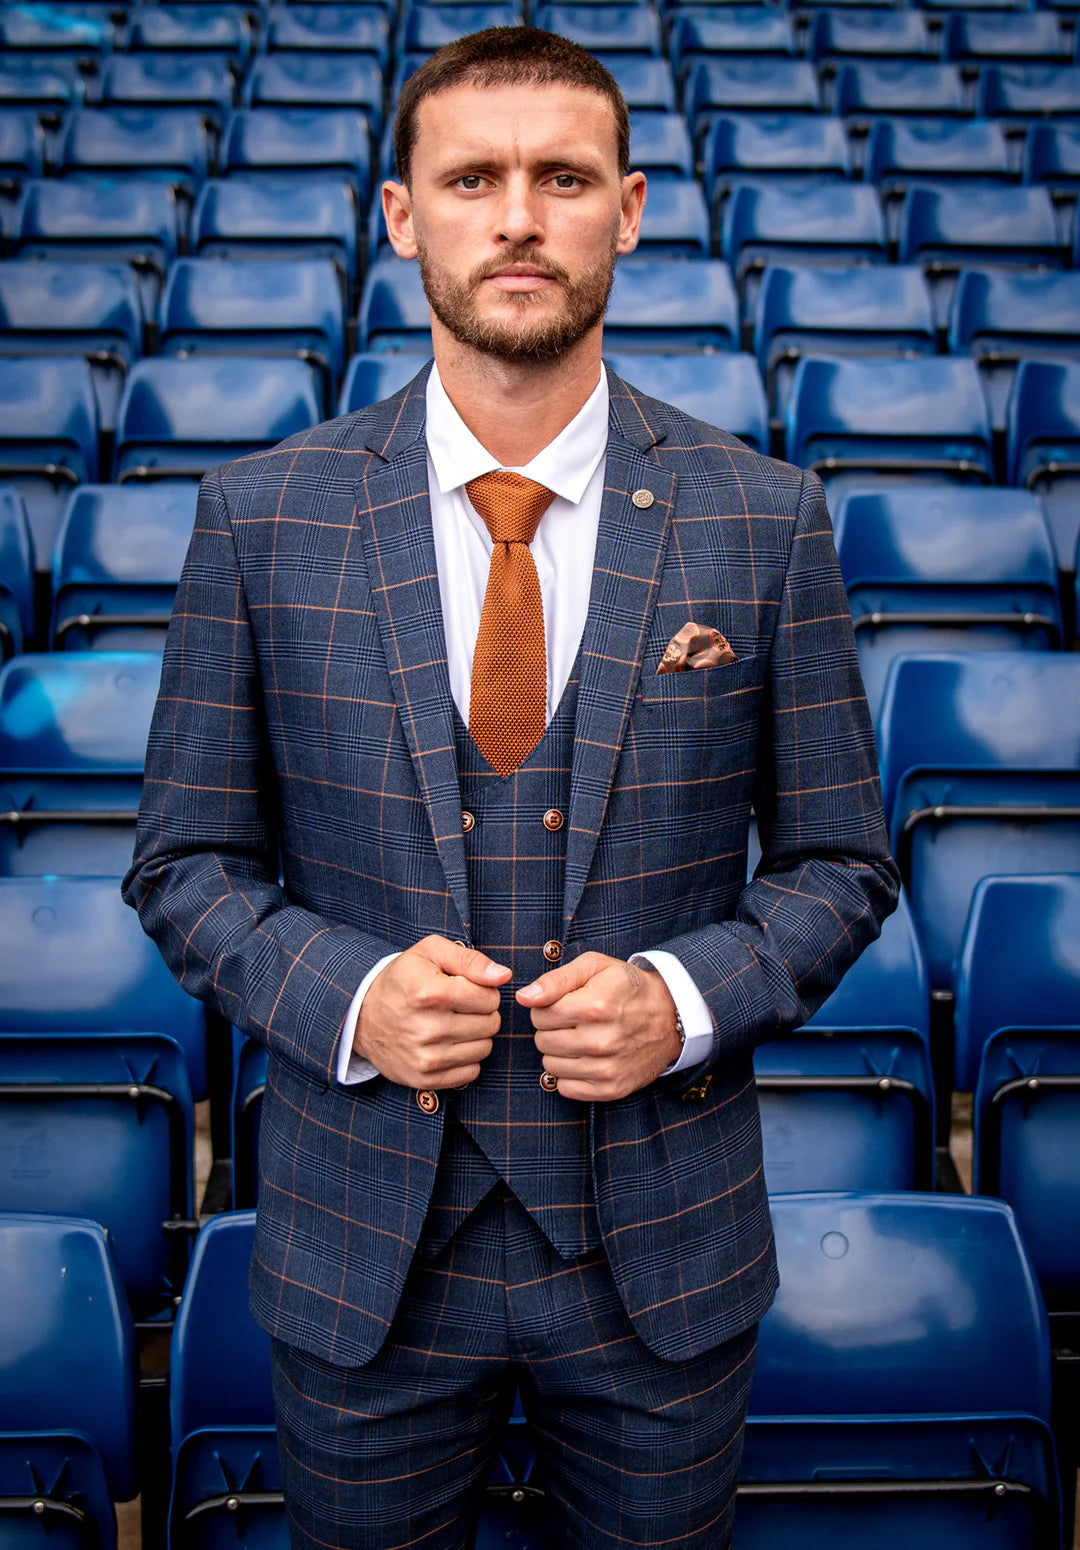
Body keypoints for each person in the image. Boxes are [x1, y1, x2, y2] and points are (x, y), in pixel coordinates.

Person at [124, 26, 900, 1549]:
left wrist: (680, 997)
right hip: (364, 1253)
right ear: (404, 213)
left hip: (662, 1251)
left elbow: (840, 864)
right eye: (474, 177)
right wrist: (349, 997)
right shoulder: (260, 519)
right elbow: (184, 865)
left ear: (631, 206)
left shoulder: (766, 518)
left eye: (563, 176)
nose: (520, 216)